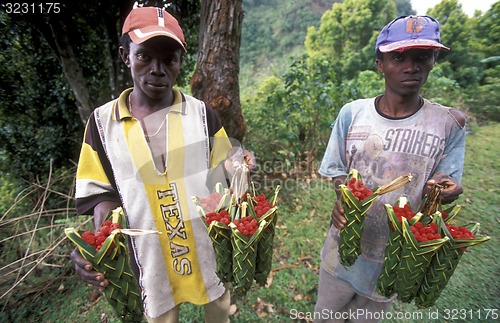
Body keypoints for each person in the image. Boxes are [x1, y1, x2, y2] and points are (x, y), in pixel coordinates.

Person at [70, 6, 254, 323]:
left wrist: (238, 160)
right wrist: (97, 246)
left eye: (170, 59)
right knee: (161, 315)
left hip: (206, 249)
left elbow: (223, 164)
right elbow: (99, 193)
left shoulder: (200, 113)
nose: (157, 69)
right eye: (144, 56)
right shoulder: (102, 124)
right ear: (125, 55)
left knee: (219, 309)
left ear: (180, 63)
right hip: (149, 259)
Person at [314, 15, 466, 322]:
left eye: (422, 56)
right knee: (327, 315)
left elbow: (446, 180)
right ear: (379, 64)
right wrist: (344, 195)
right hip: (343, 249)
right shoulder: (353, 114)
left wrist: (447, 188)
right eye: (398, 57)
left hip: (394, 258)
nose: (411, 66)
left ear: (434, 60)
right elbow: (337, 169)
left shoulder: (449, 123)